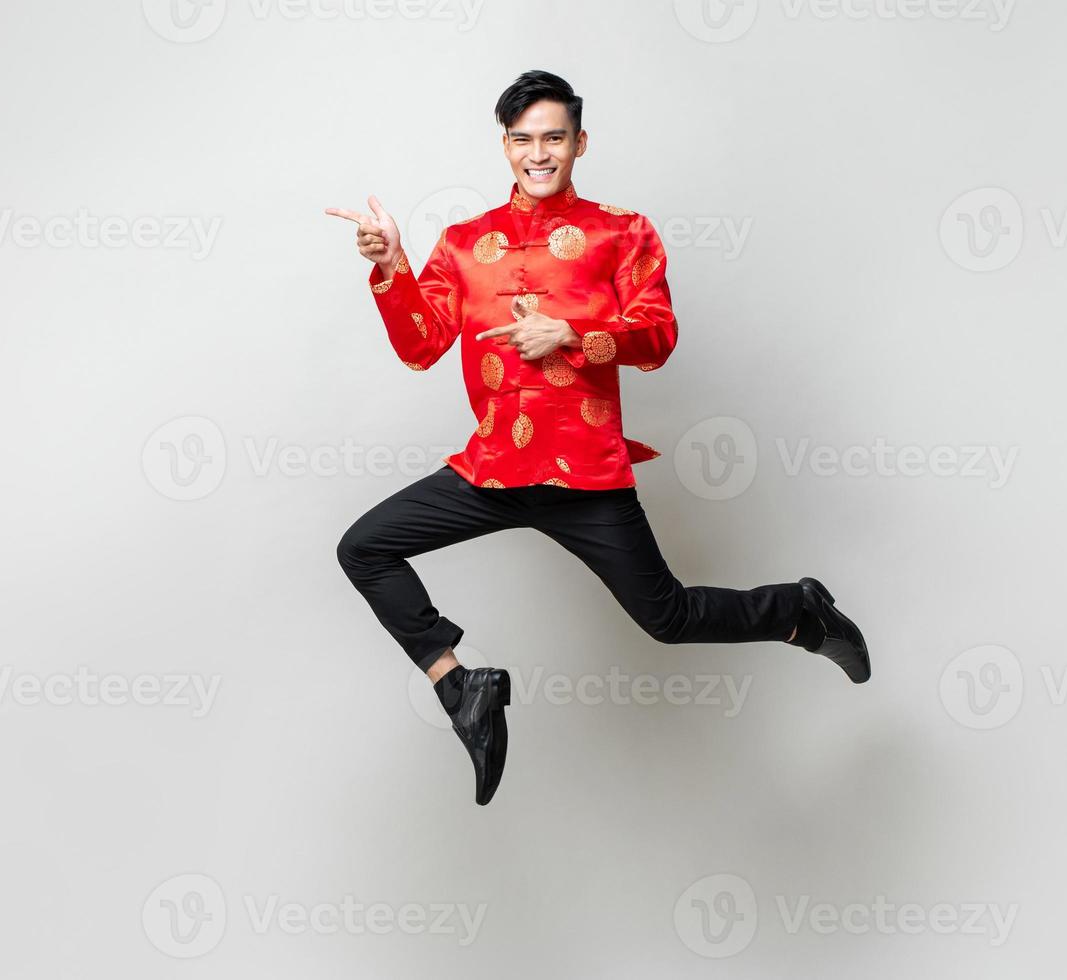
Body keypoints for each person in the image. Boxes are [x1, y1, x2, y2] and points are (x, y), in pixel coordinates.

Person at [326, 69, 870, 807]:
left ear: (580, 142)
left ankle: (800, 611)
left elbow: (659, 336)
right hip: (492, 467)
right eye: (523, 140)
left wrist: (572, 334)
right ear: (506, 146)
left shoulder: (623, 232)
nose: (538, 153)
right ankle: (462, 690)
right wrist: (391, 265)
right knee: (364, 546)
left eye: (553, 138)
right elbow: (421, 344)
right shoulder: (464, 242)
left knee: (668, 618)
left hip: (583, 474)